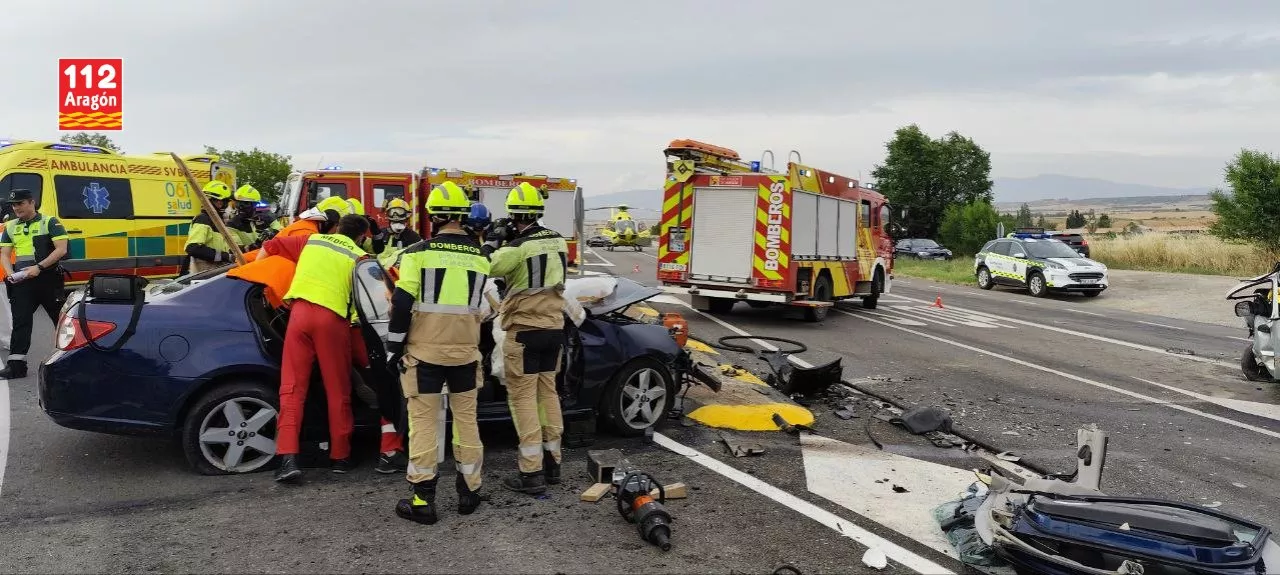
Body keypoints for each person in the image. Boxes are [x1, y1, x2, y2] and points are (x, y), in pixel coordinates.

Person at [388, 180, 490, 524]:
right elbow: (488, 305)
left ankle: (423, 500)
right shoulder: (482, 256)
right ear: (463, 217)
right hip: (466, 354)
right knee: (466, 422)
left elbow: (402, 301)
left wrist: (393, 345)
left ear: (433, 217)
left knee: (423, 424)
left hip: (425, 355)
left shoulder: (416, 252)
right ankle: (469, 493)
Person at [264, 214, 370, 483]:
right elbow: (364, 304)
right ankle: (340, 457)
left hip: (299, 316)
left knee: (291, 389)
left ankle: (287, 458)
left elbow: (268, 247)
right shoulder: (360, 257)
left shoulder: (312, 241)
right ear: (361, 237)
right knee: (338, 390)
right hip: (333, 320)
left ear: (337, 228)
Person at [483, 182, 569, 494]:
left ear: (513, 215)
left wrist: (492, 241)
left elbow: (485, 265)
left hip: (524, 334)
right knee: (548, 395)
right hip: (554, 331)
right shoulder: (558, 241)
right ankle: (553, 463)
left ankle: (531, 472)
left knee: (523, 400)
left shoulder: (517, 248)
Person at [0, 189, 69, 379]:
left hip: (48, 279)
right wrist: (11, 274)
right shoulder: (10, 226)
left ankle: (71, 360)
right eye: (14, 205)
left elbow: (61, 249)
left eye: (20, 203)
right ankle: (16, 366)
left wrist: (39, 267)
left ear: (32, 202)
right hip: (22, 282)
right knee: (20, 322)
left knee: (61, 321)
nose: (16, 208)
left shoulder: (49, 222)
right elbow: (4, 254)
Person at [185, 181, 237, 273]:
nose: (226, 205)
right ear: (218, 202)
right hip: (205, 274)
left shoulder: (218, 221)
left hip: (216, 272)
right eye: (225, 201)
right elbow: (193, 248)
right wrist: (226, 256)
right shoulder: (203, 219)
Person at [230, 185, 262, 251]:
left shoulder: (251, 221)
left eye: (245, 204)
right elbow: (236, 250)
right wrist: (254, 246)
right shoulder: (232, 225)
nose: (240, 207)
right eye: (239, 203)